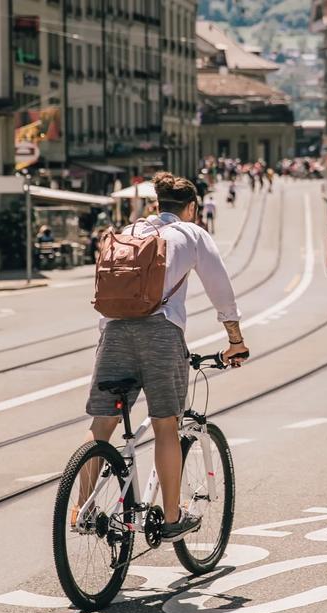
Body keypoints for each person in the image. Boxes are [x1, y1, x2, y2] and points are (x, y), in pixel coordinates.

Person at [82, 172, 250, 543]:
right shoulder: (191, 234)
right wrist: (235, 340)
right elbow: (221, 290)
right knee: (165, 425)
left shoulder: (128, 232)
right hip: (160, 333)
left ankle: (83, 508)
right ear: (190, 207)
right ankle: (172, 517)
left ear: (157, 205)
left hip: (113, 332)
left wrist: (106, 340)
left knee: (103, 425)